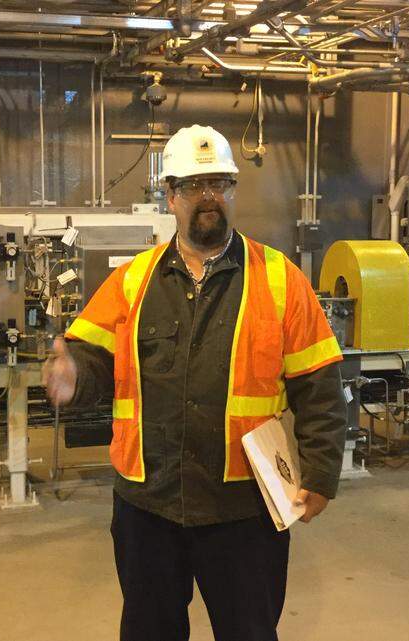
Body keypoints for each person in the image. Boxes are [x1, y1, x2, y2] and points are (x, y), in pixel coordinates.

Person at [43, 124, 347, 641]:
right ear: (170, 195)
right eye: (192, 185)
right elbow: (93, 358)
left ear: (232, 189)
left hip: (244, 507)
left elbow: (319, 383)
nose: (207, 197)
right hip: (149, 503)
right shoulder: (133, 280)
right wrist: (74, 377)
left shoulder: (280, 279)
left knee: (249, 630)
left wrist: (320, 473)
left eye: (219, 184)